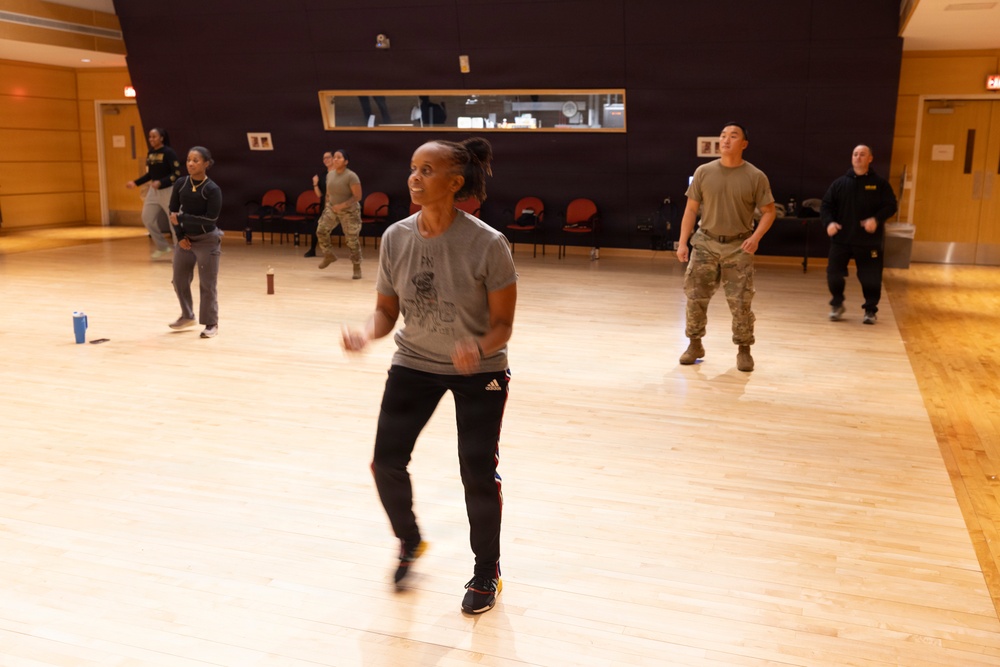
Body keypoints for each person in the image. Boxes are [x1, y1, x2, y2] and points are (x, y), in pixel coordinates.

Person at [342, 137, 516, 615]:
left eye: (427, 170)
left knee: (476, 473)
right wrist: (366, 333)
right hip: (414, 361)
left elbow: (503, 326)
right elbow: (385, 311)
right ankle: (410, 541)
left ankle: (487, 572)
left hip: (478, 371)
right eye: (413, 169)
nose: (414, 178)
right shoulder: (396, 237)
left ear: (455, 182)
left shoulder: (488, 244)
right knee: (386, 463)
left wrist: (477, 347)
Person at [676, 122, 776, 372]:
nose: (726, 140)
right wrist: (683, 241)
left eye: (733, 136)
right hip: (705, 244)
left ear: (744, 144)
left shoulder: (755, 176)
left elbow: (769, 212)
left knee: (741, 302)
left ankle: (744, 350)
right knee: (695, 298)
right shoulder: (703, 172)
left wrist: (756, 238)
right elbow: (690, 209)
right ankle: (695, 345)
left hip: (738, 247)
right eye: (723, 135)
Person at [821, 145, 898, 325]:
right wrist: (829, 223)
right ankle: (837, 304)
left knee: (871, 276)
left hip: (868, 241)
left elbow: (890, 206)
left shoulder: (880, 184)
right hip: (842, 239)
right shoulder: (840, 183)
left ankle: (870, 310)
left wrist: (876, 219)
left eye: (862, 154)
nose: (858, 157)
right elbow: (826, 206)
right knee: (834, 274)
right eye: (855, 154)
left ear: (870, 158)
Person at [167, 146, 223, 339]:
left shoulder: (212, 189)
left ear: (206, 164)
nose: (190, 163)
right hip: (185, 240)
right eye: (189, 160)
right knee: (179, 279)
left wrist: (182, 219)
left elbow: (210, 220)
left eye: (196, 160)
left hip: (207, 240)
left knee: (207, 284)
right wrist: (180, 236)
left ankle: (211, 323)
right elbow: (173, 212)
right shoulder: (181, 183)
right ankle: (187, 315)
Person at [126, 127, 181, 259]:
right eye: (150, 137)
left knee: (174, 223)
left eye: (154, 137)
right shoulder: (151, 153)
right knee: (147, 218)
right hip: (153, 192)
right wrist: (135, 182)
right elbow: (150, 174)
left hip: (168, 191)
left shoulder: (169, 152)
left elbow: (177, 174)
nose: (151, 139)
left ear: (161, 138)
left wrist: (161, 182)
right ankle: (163, 247)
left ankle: (180, 252)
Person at [314, 149, 364, 279]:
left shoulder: (351, 176)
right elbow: (328, 194)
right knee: (321, 230)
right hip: (332, 208)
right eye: (334, 157)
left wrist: (342, 206)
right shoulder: (330, 175)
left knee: (352, 240)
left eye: (339, 157)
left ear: (346, 161)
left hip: (349, 211)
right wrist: (327, 206)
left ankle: (356, 266)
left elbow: (357, 196)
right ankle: (329, 255)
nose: (335, 159)